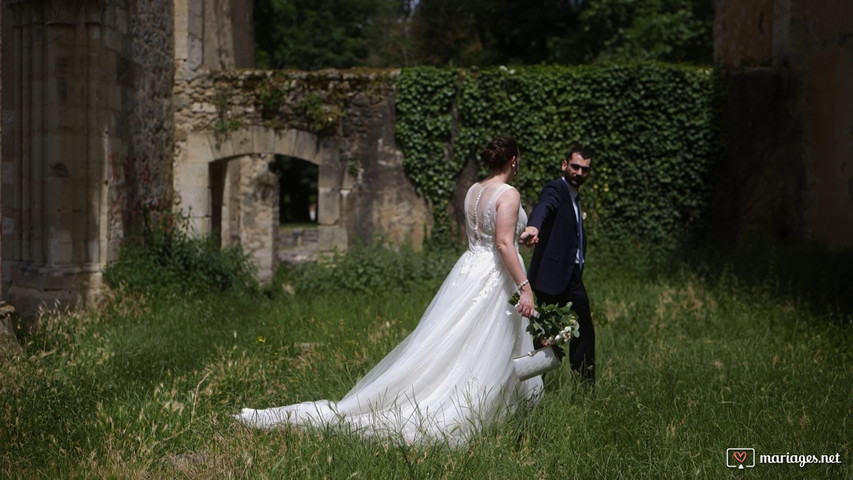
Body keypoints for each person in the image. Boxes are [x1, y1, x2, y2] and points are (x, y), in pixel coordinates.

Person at [234, 136, 542, 446]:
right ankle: (477, 407)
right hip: (494, 277)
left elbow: (491, 236)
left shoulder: (474, 191)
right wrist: (524, 288)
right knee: (484, 344)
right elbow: (502, 244)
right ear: (513, 160)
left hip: (468, 271)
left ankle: (488, 404)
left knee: (457, 341)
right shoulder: (509, 193)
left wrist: (521, 235)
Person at [521, 147, 595, 385]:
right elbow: (545, 206)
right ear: (565, 165)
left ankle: (585, 386)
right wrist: (533, 227)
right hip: (550, 277)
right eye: (575, 167)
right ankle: (532, 389)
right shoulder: (557, 188)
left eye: (585, 169)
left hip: (572, 277)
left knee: (584, 331)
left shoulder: (575, 196)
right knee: (543, 336)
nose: (579, 173)